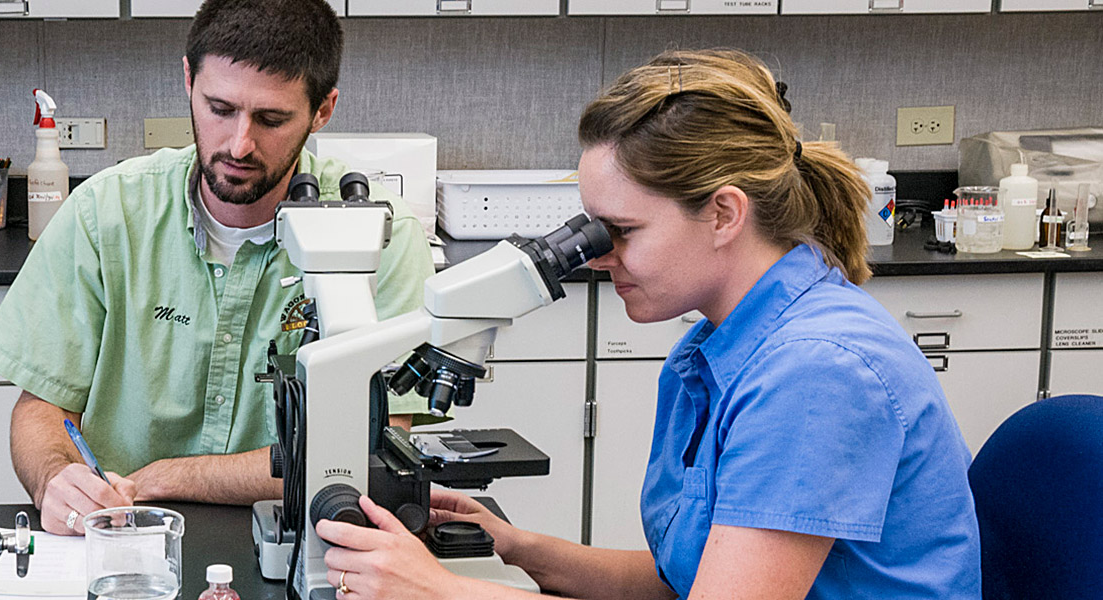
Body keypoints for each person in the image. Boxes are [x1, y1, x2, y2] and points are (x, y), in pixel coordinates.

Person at [315, 49, 981, 599]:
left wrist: (439, 590)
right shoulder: (714, 351)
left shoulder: (816, 369)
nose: (599, 257)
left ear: (722, 214)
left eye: (621, 230)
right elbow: (685, 584)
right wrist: (517, 547)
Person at [0, 0, 435, 537]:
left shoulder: (380, 236)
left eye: (271, 119)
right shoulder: (107, 212)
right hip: (124, 537)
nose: (240, 144)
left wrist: (161, 478)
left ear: (322, 110)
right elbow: (41, 408)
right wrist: (55, 477)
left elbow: (374, 442)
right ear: (188, 79)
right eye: (219, 109)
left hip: (301, 538)